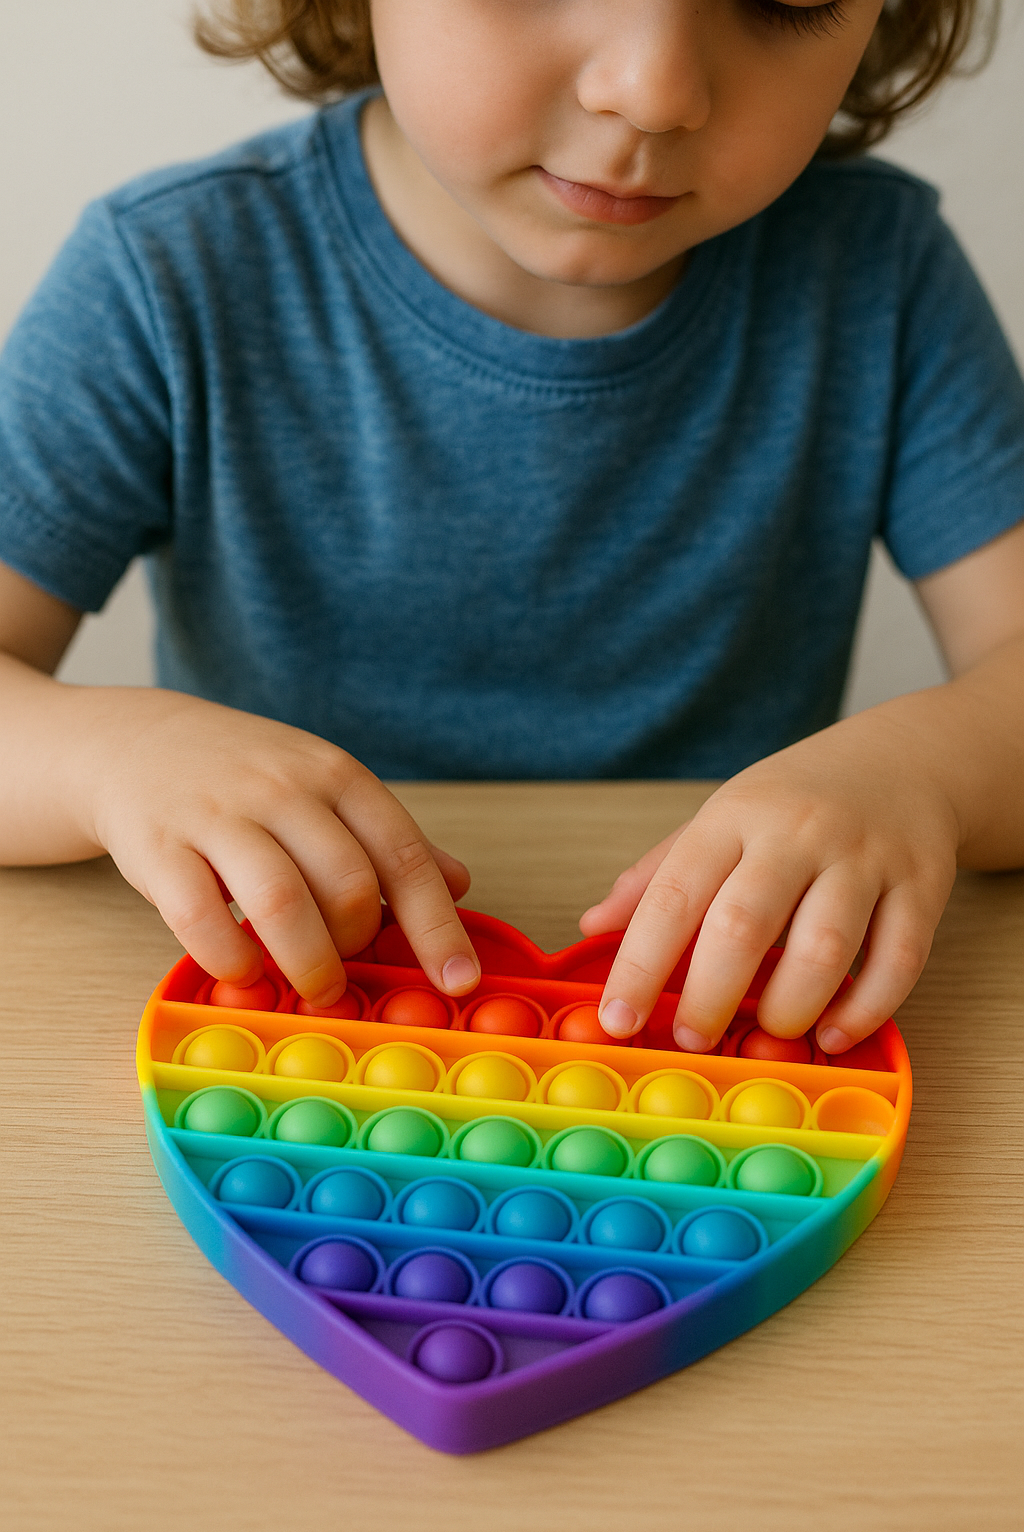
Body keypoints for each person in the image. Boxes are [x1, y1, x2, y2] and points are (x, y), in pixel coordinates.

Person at [1, 0, 1022, 1058]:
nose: (653, 91)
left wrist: (922, 779)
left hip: (717, 1043)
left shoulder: (880, 272)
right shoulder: (166, 277)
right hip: (308, 1037)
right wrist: (110, 762)